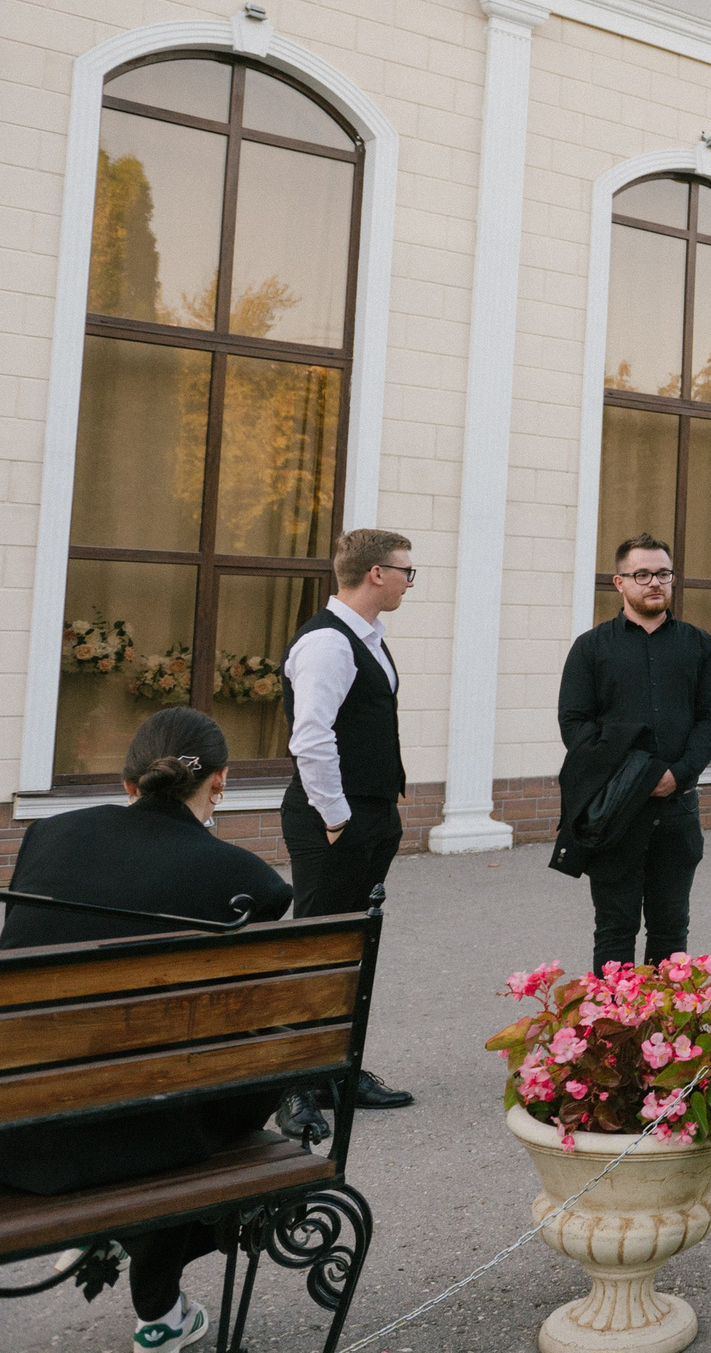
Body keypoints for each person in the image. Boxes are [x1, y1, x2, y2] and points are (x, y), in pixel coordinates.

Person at [1, 708, 296, 1353]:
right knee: (214, 1079)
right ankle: (158, 1310)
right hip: (156, 1131)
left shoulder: (45, 839)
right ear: (221, 782)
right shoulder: (251, 883)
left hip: (25, 1131)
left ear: (129, 781)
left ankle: (142, 1283)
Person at [278, 526, 418, 1133]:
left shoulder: (369, 637)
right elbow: (310, 736)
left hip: (369, 813)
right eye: (407, 571)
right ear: (377, 574)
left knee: (349, 949)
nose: (411, 582)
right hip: (332, 819)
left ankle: (336, 1069)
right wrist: (337, 817)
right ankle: (292, 1086)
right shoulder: (328, 644)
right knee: (314, 949)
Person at [559, 533, 711, 976]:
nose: (655, 583)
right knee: (614, 930)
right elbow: (575, 725)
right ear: (619, 582)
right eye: (643, 574)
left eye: (663, 574)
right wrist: (633, 774)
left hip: (677, 810)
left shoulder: (697, 644)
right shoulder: (591, 648)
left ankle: (664, 1039)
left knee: (671, 931)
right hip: (615, 814)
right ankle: (614, 1039)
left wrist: (680, 773)